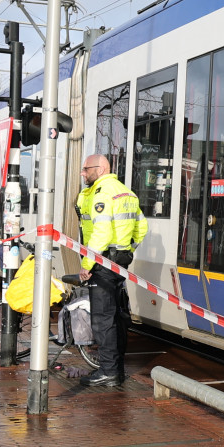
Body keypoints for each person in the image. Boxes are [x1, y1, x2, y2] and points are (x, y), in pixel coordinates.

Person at [73, 154, 148, 386]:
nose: (83, 173)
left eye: (86, 169)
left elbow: (101, 233)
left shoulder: (102, 193)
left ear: (102, 168)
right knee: (117, 316)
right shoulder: (126, 192)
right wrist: (127, 250)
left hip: (102, 263)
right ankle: (117, 368)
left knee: (102, 320)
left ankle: (109, 371)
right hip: (118, 263)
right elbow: (142, 227)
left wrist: (87, 265)